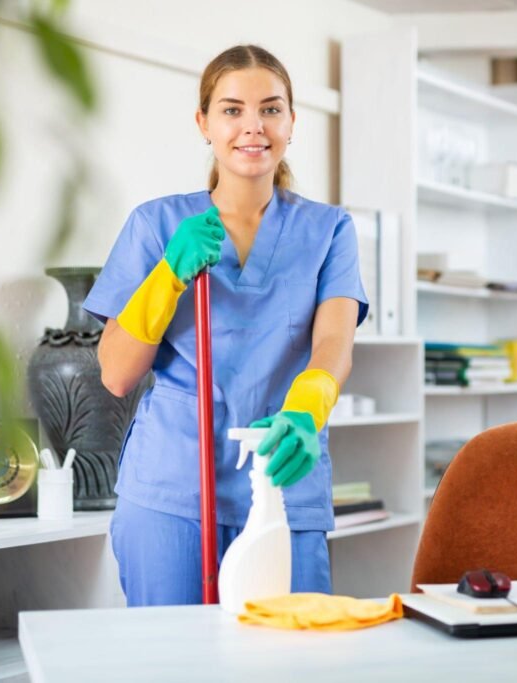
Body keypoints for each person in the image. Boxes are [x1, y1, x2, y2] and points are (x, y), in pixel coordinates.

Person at [83, 44, 368, 607]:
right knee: (175, 662)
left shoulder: (330, 229)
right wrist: (168, 274)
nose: (252, 126)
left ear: (291, 122)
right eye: (232, 110)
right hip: (173, 489)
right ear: (204, 124)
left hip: (283, 478)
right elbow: (116, 373)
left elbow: (334, 341)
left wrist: (307, 411)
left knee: (290, 659)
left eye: (271, 108)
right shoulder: (157, 224)